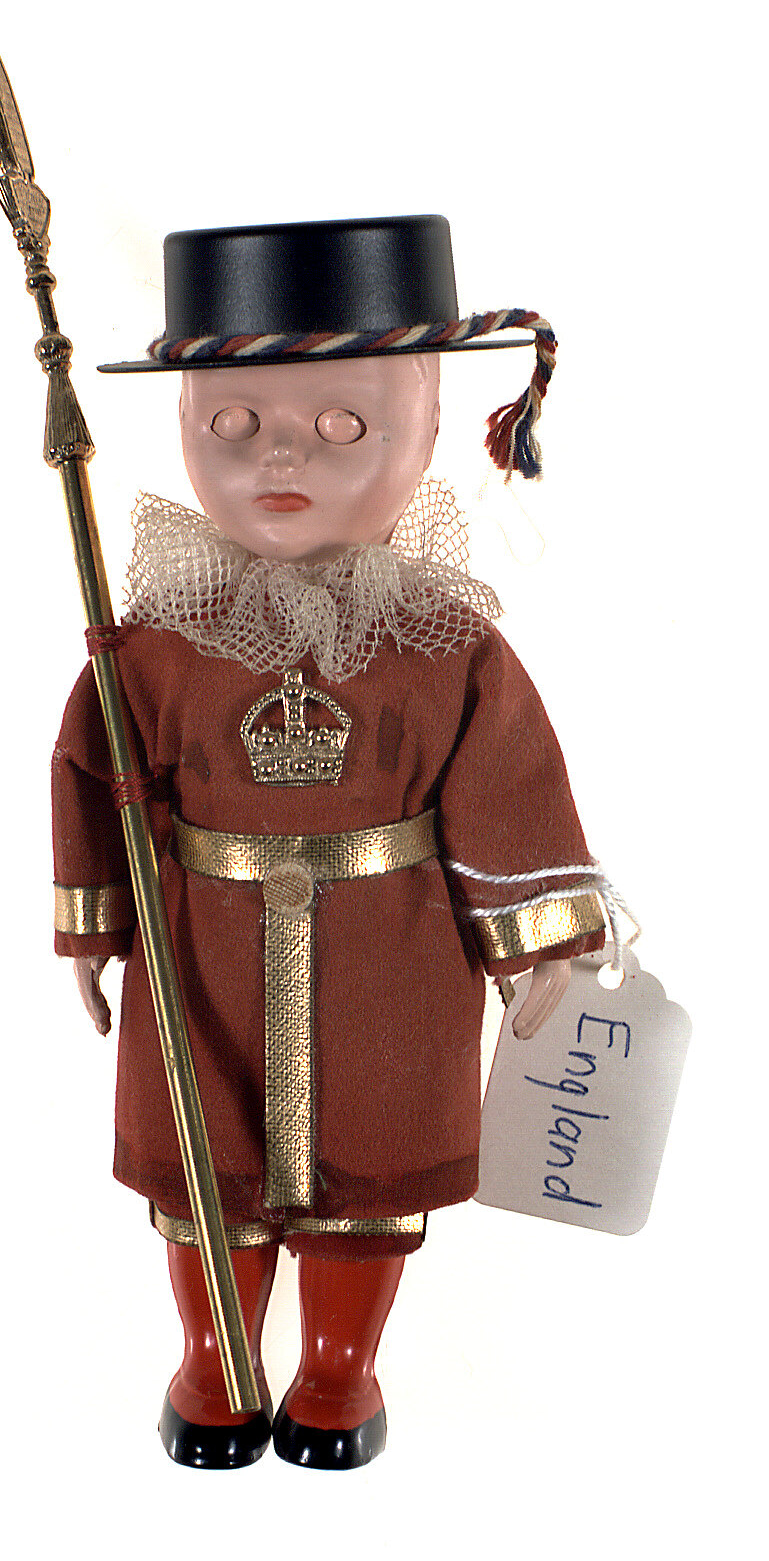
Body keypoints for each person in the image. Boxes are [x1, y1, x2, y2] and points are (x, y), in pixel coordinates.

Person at [52, 217, 605, 1469]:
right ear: (184, 425)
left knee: (373, 1159)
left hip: (389, 953)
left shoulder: (445, 643)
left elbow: (507, 783)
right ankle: (213, 1356)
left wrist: (537, 941)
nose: (281, 454)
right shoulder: (150, 644)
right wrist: (93, 924)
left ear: (428, 426)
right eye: (234, 424)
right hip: (200, 947)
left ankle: (339, 1365)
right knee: (205, 1161)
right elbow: (94, 772)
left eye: (344, 424)